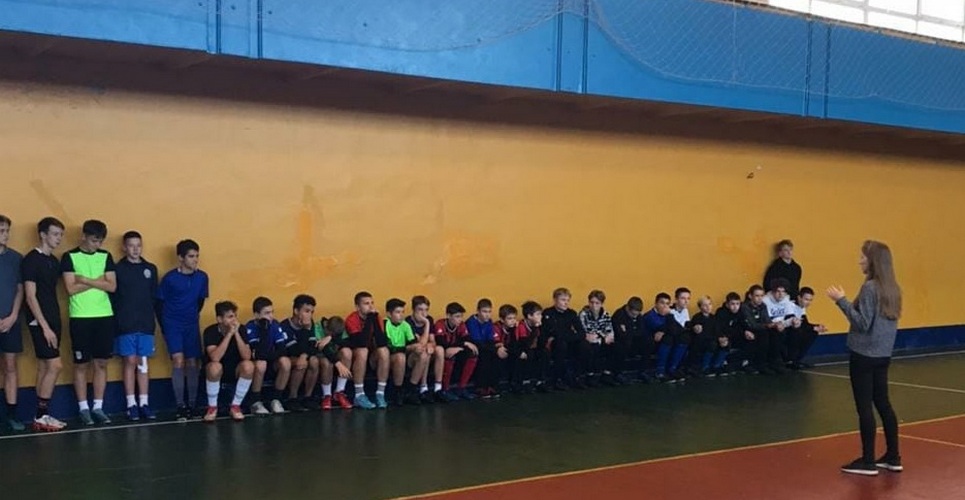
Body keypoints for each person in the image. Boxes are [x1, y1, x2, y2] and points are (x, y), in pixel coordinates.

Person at [827, 240, 902, 476]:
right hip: (883, 354)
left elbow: (862, 322)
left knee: (864, 407)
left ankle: (868, 460)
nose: (860, 261)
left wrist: (841, 301)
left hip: (864, 354)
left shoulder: (870, 288)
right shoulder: (893, 289)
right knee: (883, 403)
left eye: (863, 257)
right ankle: (893, 456)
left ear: (873, 261)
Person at [61, 220, 117, 425]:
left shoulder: (106, 256)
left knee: (101, 363)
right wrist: (99, 281)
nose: (97, 245)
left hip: (104, 316)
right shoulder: (69, 257)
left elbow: (112, 286)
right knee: (81, 364)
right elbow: (70, 289)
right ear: (83, 237)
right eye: (94, 241)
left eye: (100, 241)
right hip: (80, 317)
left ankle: (98, 407)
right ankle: (83, 407)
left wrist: (84, 280)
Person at [22, 217, 68, 431]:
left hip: (53, 318)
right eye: (55, 234)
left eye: (61, 235)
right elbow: (30, 296)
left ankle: (39, 415)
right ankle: (42, 415)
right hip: (39, 321)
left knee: (43, 366)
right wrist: (44, 326)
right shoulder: (31, 260)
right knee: (55, 365)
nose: (59, 238)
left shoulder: (54, 261)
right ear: (43, 235)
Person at [157, 239, 209, 420]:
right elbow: (159, 302)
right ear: (180, 258)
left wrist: (192, 315)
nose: (195, 260)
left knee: (193, 362)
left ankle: (193, 404)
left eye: (197, 256)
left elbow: (200, 300)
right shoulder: (169, 279)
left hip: (191, 324)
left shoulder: (202, 277)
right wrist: (165, 327)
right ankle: (180, 405)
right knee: (178, 361)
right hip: (172, 323)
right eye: (191, 256)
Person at [112, 231, 159, 421]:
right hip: (125, 324)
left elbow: (154, 297)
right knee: (129, 361)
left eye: (138, 245)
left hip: (145, 324)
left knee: (143, 363)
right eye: (131, 245)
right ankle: (131, 403)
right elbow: (114, 298)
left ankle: (144, 403)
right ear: (124, 247)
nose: (135, 249)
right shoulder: (118, 269)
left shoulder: (150, 269)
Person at [202, 301, 253, 422]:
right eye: (230, 317)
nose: (234, 320)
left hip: (235, 369)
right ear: (219, 319)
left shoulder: (241, 329)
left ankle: (235, 406)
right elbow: (215, 357)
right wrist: (229, 334)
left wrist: (237, 334)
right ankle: (212, 408)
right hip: (216, 372)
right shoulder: (210, 331)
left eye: (235, 316)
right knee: (215, 366)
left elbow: (247, 356)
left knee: (249, 366)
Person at [245, 297, 292, 415]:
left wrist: (268, 355)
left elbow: (282, 349)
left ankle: (276, 399)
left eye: (272, 312)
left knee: (285, 362)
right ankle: (255, 401)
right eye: (266, 313)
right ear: (256, 315)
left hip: (271, 361)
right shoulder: (250, 328)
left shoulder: (275, 325)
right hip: (257, 365)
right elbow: (258, 354)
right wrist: (264, 330)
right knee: (261, 364)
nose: (270, 316)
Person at [344, 291, 390, 409]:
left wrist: (374, 319)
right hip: (356, 359)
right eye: (366, 303)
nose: (371, 306)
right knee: (362, 351)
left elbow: (381, 342)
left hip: (372, 358)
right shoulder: (351, 319)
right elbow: (362, 342)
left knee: (384, 351)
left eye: (372, 303)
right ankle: (359, 395)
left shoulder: (376, 317)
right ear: (357, 307)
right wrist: (370, 318)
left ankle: (380, 393)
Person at [0, 215, 25, 431]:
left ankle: (12, 414)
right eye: (1, 231)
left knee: (10, 366)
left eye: (7, 230)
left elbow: (20, 290)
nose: (5, 235)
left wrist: (13, 316)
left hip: (10, 322)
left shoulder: (16, 258)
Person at [280, 294, 323, 412]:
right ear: (296, 311)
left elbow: (313, 347)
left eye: (312, 312)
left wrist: (304, 355)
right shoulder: (285, 326)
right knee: (301, 362)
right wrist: (305, 330)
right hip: (285, 358)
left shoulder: (309, 324)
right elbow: (293, 350)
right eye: (306, 311)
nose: (309, 315)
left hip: (302, 356)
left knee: (314, 361)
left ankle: (307, 397)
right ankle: (292, 397)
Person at [384, 298, 429, 406]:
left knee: (423, 354)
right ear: (389, 314)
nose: (401, 315)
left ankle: (411, 390)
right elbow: (389, 348)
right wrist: (409, 348)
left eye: (403, 312)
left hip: (403, 357)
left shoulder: (405, 325)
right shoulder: (385, 323)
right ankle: (398, 391)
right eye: (398, 312)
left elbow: (413, 343)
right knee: (400, 356)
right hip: (386, 358)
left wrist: (417, 347)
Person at [542, 288, 588, 390]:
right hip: (556, 343)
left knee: (584, 345)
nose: (566, 303)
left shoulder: (571, 313)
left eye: (567, 300)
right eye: (563, 300)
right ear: (555, 300)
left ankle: (578, 376)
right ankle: (558, 379)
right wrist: (569, 336)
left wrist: (568, 337)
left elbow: (581, 332)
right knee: (560, 344)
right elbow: (554, 332)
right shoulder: (548, 313)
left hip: (569, 341)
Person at [433, 302, 477, 401]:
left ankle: (462, 387)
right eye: (457, 316)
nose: (460, 319)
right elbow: (441, 342)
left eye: (461, 316)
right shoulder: (440, 324)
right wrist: (462, 344)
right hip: (440, 353)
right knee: (449, 354)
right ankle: (445, 389)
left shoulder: (461, 325)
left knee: (472, 354)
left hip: (455, 349)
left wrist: (460, 346)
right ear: (448, 316)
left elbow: (467, 339)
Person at [405, 296, 442, 403]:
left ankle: (438, 388)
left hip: (424, 352)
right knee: (424, 352)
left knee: (439, 350)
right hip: (411, 357)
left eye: (426, 310)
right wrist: (426, 323)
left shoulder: (429, 319)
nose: (424, 313)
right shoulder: (408, 322)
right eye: (420, 309)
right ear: (413, 310)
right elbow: (420, 344)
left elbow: (432, 341)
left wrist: (431, 345)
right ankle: (422, 388)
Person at [643, 293, 686, 382]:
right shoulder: (650, 316)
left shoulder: (667, 316)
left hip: (665, 342)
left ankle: (672, 369)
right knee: (668, 338)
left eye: (667, 304)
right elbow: (659, 327)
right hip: (650, 343)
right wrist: (669, 316)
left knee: (684, 337)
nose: (665, 306)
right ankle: (660, 371)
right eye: (662, 303)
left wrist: (663, 330)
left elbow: (678, 330)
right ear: (656, 304)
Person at [506, 301, 546, 393]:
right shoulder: (521, 326)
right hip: (518, 349)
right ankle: (524, 381)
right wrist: (535, 329)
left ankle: (540, 380)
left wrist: (540, 328)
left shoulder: (538, 326)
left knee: (544, 352)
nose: (541, 317)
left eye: (540, 314)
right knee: (528, 354)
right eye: (538, 314)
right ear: (529, 316)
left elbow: (542, 342)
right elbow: (524, 344)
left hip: (530, 349)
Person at [466, 298, 502, 398]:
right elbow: (477, 341)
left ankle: (492, 386)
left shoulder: (489, 322)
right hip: (474, 347)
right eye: (484, 311)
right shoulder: (471, 322)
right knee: (485, 355)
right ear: (478, 311)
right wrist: (494, 348)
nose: (487, 314)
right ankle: (480, 387)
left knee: (496, 355)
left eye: (489, 312)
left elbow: (490, 339)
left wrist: (497, 347)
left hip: (485, 346)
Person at [785, 287, 827, 369]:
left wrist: (816, 326)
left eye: (810, 300)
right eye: (806, 299)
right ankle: (790, 360)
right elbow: (792, 323)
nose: (808, 302)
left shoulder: (802, 308)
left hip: (796, 330)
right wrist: (813, 327)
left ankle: (797, 359)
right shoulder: (790, 306)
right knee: (797, 332)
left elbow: (805, 324)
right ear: (799, 298)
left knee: (812, 333)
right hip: (787, 330)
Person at [317, 316, 354, 410]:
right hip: (321, 355)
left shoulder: (340, 329)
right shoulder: (317, 327)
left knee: (347, 352)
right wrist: (338, 363)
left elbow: (347, 343)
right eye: (330, 333)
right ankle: (327, 395)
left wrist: (331, 337)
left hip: (335, 354)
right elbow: (323, 348)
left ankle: (339, 392)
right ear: (326, 328)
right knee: (327, 362)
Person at [578, 290, 613, 386]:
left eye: (597, 303)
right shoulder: (583, 314)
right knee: (589, 346)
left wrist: (600, 336)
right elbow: (585, 331)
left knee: (615, 345)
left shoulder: (605, 315)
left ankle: (607, 373)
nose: (594, 305)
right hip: (588, 341)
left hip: (601, 340)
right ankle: (590, 374)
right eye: (591, 302)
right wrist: (601, 335)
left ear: (601, 304)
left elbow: (609, 331)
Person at [610, 297, 648, 383]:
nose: (635, 317)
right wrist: (632, 330)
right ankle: (618, 373)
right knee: (621, 345)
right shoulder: (619, 315)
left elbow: (641, 331)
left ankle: (642, 371)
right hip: (621, 342)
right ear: (627, 308)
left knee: (647, 342)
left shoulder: (638, 316)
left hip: (634, 341)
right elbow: (620, 333)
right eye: (633, 314)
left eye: (637, 315)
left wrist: (628, 330)